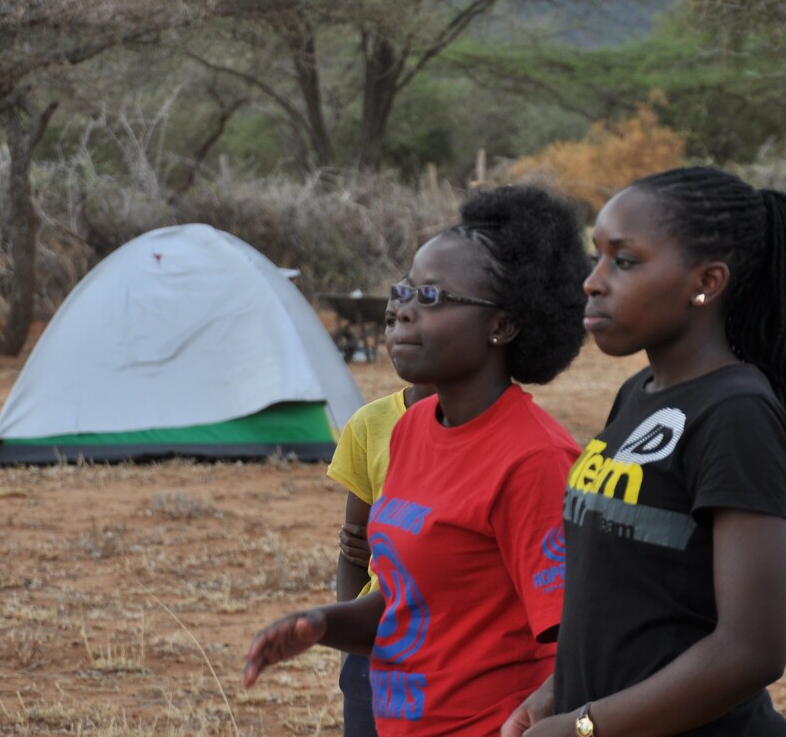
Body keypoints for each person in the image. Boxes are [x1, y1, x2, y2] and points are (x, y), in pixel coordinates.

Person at [243, 185, 592, 737]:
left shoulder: (534, 460)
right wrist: (320, 624)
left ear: (502, 325)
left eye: (430, 297)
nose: (400, 310)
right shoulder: (410, 431)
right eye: (403, 290)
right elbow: (414, 603)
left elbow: (581, 641)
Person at [505, 167, 786, 737]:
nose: (592, 281)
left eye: (623, 261)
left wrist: (587, 726)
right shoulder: (639, 394)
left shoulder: (736, 413)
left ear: (706, 282)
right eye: (596, 256)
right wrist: (559, 691)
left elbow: (753, 649)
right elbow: (627, 600)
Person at [327, 300, 435, 737]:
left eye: (415, 319)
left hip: (452, 656)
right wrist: (351, 656)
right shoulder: (370, 424)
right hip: (378, 653)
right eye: (391, 320)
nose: (398, 332)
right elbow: (355, 550)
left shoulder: (516, 443)